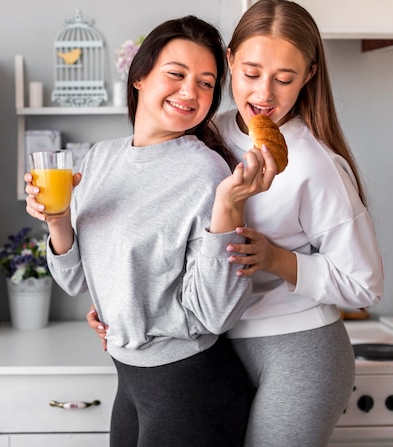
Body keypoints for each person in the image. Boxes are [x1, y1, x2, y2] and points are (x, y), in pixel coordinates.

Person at [88, 1, 384, 446]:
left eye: (284, 79)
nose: (264, 94)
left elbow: (365, 285)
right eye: (250, 73)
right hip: (217, 348)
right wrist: (124, 304)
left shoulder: (315, 166)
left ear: (308, 76)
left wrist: (276, 258)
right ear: (229, 62)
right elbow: (167, 243)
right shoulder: (206, 135)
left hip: (298, 348)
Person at [25, 15, 277, 447]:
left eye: (205, 83)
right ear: (139, 77)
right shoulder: (99, 160)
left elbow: (216, 314)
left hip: (190, 388)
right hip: (130, 380)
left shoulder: (206, 172)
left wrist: (228, 206)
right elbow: (75, 280)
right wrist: (57, 221)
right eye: (176, 74)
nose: (190, 92)